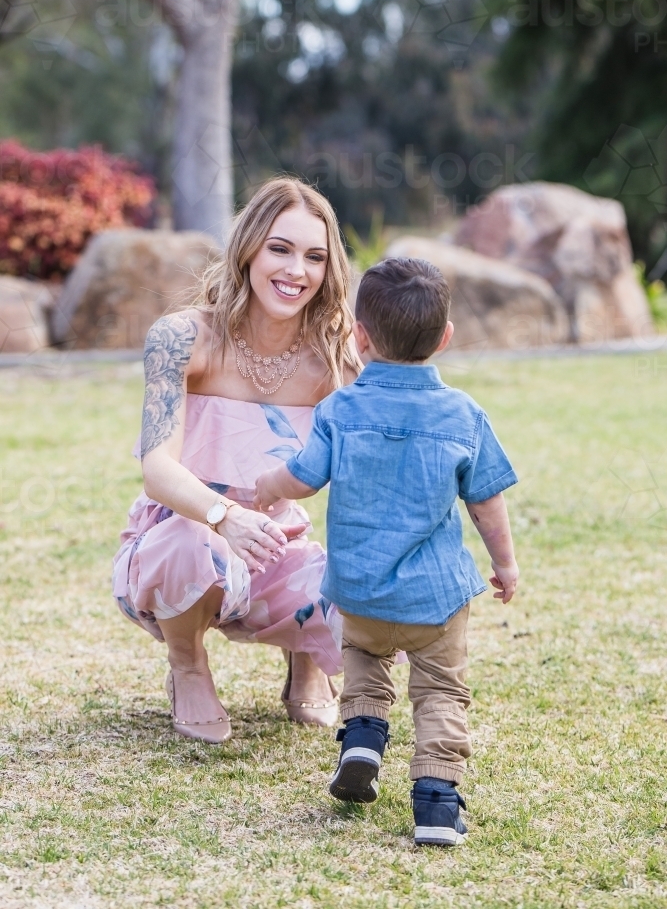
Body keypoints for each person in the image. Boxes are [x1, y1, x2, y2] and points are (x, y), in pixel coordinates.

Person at [254, 257, 520, 847]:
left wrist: (270, 486)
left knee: (365, 664)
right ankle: (436, 802)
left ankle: (363, 744)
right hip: (436, 599)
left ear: (359, 336)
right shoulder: (462, 414)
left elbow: (302, 477)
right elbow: (486, 501)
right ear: (444, 338)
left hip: (361, 591)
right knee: (441, 691)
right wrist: (504, 563)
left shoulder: (340, 409)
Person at [112, 177, 361, 743]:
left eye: (314, 257)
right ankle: (189, 664)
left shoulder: (332, 355)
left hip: (276, 545)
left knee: (361, 586)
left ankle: (306, 653)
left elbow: (365, 460)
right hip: (183, 534)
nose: (296, 270)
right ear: (248, 248)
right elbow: (157, 469)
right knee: (188, 543)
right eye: (280, 248)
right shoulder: (181, 338)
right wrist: (225, 516)